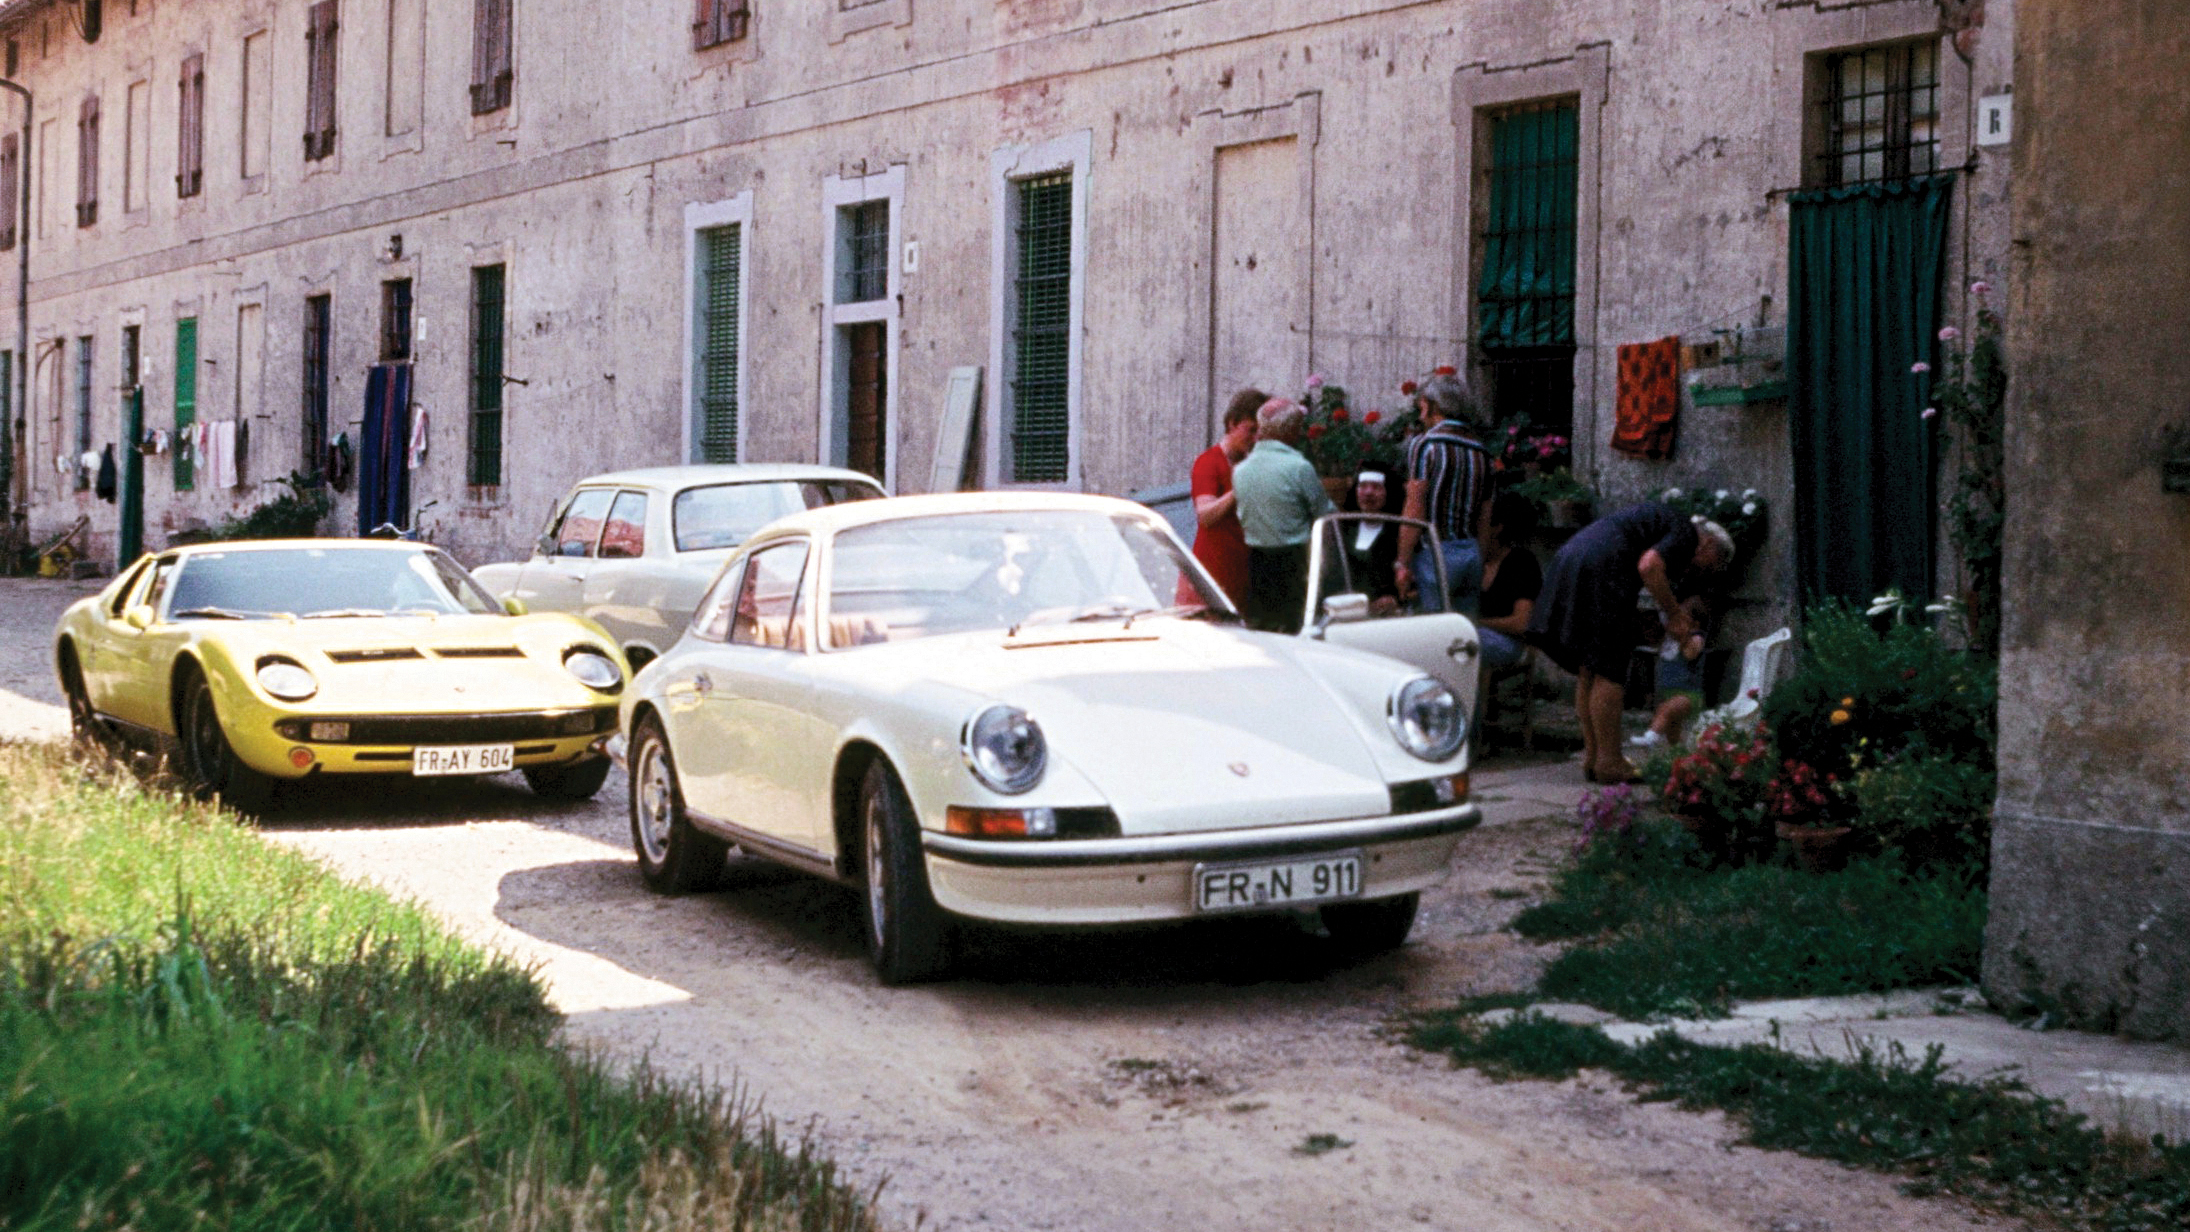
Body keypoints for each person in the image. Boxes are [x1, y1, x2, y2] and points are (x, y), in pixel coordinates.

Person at [1527, 501, 1736, 783]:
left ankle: (1593, 758)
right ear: (1708, 542)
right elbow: (1650, 566)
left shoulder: (1663, 521)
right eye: (1716, 561)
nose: (1709, 569)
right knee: (1610, 670)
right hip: (1603, 567)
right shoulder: (1686, 532)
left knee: (1589, 668)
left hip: (1572, 557)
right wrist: (1675, 616)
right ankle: (1611, 762)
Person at [1232, 398, 1336, 634]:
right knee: (1296, 631)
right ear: (1291, 430)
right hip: (1294, 562)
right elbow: (1324, 514)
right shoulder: (1298, 467)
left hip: (1256, 562)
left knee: (1263, 631)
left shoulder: (1241, 471)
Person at [1393, 371, 1493, 615]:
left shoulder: (1426, 444)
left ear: (1431, 406)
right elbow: (1485, 513)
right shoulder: (1481, 451)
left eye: (1421, 408)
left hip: (1436, 553)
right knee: (1464, 633)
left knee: (1433, 633)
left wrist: (1402, 562)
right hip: (1470, 552)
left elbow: (1414, 507)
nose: (1420, 415)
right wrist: (1480, 558)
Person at [1188, 387, 1266, 606]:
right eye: (1250, 430)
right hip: (1212, 575)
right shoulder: (1208, 462)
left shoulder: (1249, 463)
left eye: (1260, 433)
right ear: (1232, 423)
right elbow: (1205, 515)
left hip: (1243, 573)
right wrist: (1239, 488)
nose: (1255, 439)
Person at [1630, 594, 1712, 754]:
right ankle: (1681, 753)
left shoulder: (1696, 638)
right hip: (1670, 692)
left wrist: (1682, 638)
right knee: (1672, 732)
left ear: (1694, 623)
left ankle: (1650, 738)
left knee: (1665, 710)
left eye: (1681, 619)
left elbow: (1690, 654)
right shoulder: (1670, 639)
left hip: (1689, 694)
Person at [1474, 491, 1541, 671]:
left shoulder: (1521, 563)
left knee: (1458, 642)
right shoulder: (1474, 562)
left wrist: (1475, 623)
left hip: (1508, 643)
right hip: (1476, 632)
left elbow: (1522, 623)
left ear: (1497, 528)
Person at [1339, 464, 1403, 613]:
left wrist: (1394, 599)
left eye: (1376, 487)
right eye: (1363, 486)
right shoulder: (1342, 530)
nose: (1368, 493)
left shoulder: (1399, 532)